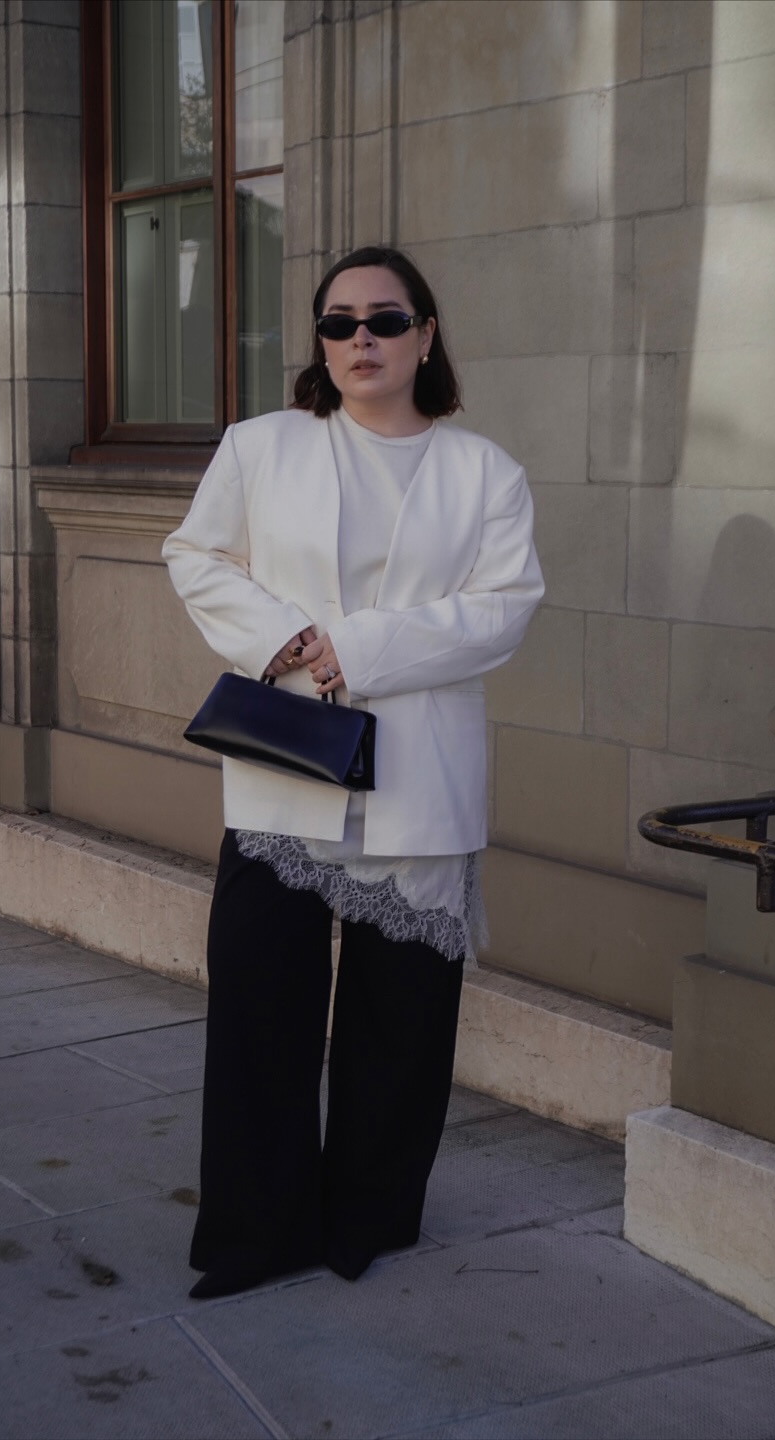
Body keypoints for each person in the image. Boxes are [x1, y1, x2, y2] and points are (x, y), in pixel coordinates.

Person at [163, 245, 544, 1299]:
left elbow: (504, 610)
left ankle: (367, 1219)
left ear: (427, 335)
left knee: (402, 1026)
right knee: (258, 1007)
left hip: (424, 782)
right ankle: (256, 1232)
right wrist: (290, 639)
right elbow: (195, 556)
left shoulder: (485, 472)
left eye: (384, 320)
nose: (360, 341)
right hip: (289, 770)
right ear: (320, 344)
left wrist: (360, 649)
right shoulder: (262, 447)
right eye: (339, 324)